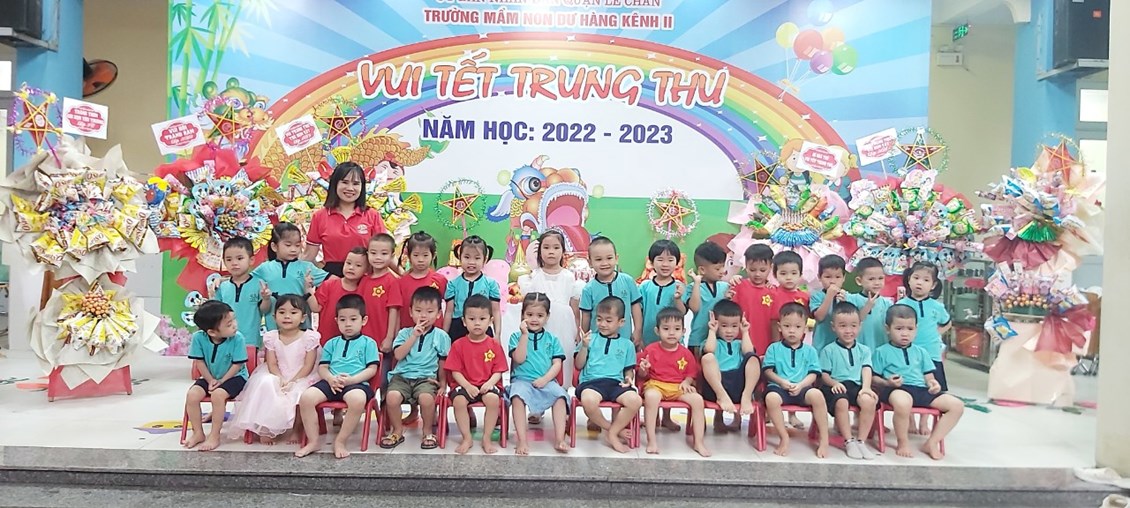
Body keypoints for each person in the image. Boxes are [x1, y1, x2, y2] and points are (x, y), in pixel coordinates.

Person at [872, 304, 964, 460]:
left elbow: (929, 376)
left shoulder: (921, 352)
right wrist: (887, 383)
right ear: (888, 329)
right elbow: (873, 378)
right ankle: (903, 442)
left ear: (916, 329)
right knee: (903, 402)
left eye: (910, 329)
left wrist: (933, 384)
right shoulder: (881, 352)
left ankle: (932, 442)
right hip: (897, 389)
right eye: (899, 328)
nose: (905, 333)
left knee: (957, 406)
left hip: (921, 389)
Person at [226, 295, 319, 445]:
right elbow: (272, 364)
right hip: (277, 372)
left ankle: (296, 429)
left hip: (302, 374)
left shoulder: (309, 337)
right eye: (282, 312)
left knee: (299, 393)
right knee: (266, 383)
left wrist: (293, 381)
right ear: (275, 317)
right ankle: (265, 428)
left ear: (303, 317)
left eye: (293, 312)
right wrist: (280, 378)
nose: (287, 316)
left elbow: (308, 365)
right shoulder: (271, 337)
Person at [295, 295, 379, 459]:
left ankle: (340, 441)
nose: (347, 324)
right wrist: (330, 379)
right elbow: (323, 367)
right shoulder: (331, 343)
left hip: (356, 383)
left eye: (353, 319)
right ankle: (313, 441)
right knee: (306, 398)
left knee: (357, 400)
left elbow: (372, 369)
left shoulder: (369, 343)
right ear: (337, 321)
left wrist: (352, 380)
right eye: (342, 320)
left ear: (364, 320)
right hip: (331, 382)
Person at [384, 286, 451, 450]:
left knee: (426, 399)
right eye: (418, 310)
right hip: (402, 377)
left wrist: (443, 384)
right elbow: (398, 355)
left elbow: (443, 362)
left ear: (438, 314)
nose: (423, 315)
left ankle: (427, 431)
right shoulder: (404, 333)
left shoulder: (441, 336)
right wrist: (414, 336)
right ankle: (397, 430)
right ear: (410, 312)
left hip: (426, 378)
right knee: (391, 397)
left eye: (429, 311)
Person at [637, 307, 710, 457]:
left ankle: (699, 442)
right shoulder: (651, 350)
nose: (671, 333)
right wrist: (644, 369)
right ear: (657, 331)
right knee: (651, 396)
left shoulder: (686, 353)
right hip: (656, 384)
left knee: (697, 400)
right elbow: (642, 375)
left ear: (683, 331)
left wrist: (687, 382)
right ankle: (652, 441)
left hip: (678, 387)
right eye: (666, 329)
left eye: (676, 329)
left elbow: (691, 373)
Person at [574, 296, 643, 454]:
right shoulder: (590, 339)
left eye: (608, 320)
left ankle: (612, 433)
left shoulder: (627, 345)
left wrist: (629, 379)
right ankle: (611, 429)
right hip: (591, 382)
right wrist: (584, 347)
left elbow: (628, 370)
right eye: (599, 319)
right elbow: (578, 365)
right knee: (588, 401)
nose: (602, 324)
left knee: (635, 400)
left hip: (616, 383)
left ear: (621, 322)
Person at [394, 231, 447, 426]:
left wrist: (444, 330)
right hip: (410, 334)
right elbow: (398, 309)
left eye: (425, 255)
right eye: (416, 255)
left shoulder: (439, 280)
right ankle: (413, 410)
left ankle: (432, 410)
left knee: (431, 373)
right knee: (410, 370)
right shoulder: (401, 282)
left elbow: (447, 307)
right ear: (408, 256)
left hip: (433, 335)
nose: (420, 260)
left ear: (433, 255)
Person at [444, 294, 508, 455]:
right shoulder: (458, 345)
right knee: (459, 401)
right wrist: (467, 385)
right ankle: (467, 438)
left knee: (493, 399)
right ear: (464, 321)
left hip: (487, 384)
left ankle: (486, 438)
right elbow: (455, 371)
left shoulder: (494, 345)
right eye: (472, 319)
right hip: (464, 385)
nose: (477, 323)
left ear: (490, 321)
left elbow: (499, 370)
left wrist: (490, 383)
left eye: (482, 319)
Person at [516, 230, 580, 391]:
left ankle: (562, 392)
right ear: (539, 251)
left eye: (556, 247)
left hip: (564, 324)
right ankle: (538, 393)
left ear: (563, 251)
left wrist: (578, 330)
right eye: (546, 247)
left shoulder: (568, 277)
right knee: (540, 356)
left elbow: (575, 308)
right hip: (541, 324)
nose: (551, 252)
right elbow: (527, 307)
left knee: (563, 354)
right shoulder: (533, 277)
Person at [507, 293, 570, 455]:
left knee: (560, 396)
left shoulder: (552, 339)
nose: (534, 319)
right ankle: (522, 440)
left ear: (547, 317)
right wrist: (524, 335)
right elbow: (519, 359)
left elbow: (557, 364)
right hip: (521, 381)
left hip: (547, 380)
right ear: (522, 315)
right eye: (529, 315)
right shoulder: (515, 337)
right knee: (517, 397)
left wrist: (545, 379)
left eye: (540, 315)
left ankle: (560, 438)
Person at [763, 302, 828, 458]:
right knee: (771, 398)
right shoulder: (773, 348)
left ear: (805, 328)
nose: (792, 331)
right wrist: (781, 382)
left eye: (797, 327)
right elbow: (768, 372)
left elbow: (813, 374)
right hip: (779, 387)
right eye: (787, 326)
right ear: (779, 327)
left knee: (817, 395)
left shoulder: (810, 351)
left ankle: (824, 439)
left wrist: (801, 385)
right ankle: (784, 437)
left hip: (802, 387)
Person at [183, 301, 249, 451]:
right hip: (210, 376)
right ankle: (198, 433)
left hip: (235, 377)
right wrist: (210, 380)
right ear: (212, 332)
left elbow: (237, 364)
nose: (235, 325)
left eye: (234, 320)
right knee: (192, 395)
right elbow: (199, 362)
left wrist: (222, 381)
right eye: (229, 324)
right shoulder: (198, 338)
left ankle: (214, 436)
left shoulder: (238, 338)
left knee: (218, 395)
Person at [303, 161, 387, 278]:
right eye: (345, 182)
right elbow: (308, 256)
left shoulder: (372, 215)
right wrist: (323, 275)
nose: (350, 188)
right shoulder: (320, 216)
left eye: (356, 184)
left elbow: (384, 253)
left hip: (365, 280)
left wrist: (404, 274)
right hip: (332, 280)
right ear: (335, 184)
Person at [896, 261, 952, 435]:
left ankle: (924, 422)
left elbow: (947, 323)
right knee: (908, 385)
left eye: (926, 280)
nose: (920, 283)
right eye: (916, 278)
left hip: (931, 354)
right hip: (907, 353)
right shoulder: (901, 304)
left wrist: (936, 334)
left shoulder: (937, 307)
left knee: (931, 387)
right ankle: (910, 420)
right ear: (909, 280)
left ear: (933, 285)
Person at [637, 239, 687, 431]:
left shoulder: (679, 287)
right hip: (649, 340)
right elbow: (639, 312)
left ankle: (666, 416)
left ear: (677, 263)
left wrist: (678, 298)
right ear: (651, 262)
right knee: (651, 377)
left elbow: (683, 312)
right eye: (660, 259)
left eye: (670, 260)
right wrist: (639, 335)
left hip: (672, 345)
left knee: (670, 376)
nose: (665, 264)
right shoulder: (645, 287)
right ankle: (652, 415)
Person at [819, 301, 879, 460]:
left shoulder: (864, 350)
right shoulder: (828, 350)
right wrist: (834, 383)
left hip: (857, 386)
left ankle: (861, 441)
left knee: (868, 400)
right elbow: (824, 375)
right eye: (842, 326)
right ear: (833, 327)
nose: (848, 331)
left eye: (853, 326)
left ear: (860, 326)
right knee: (841, 402)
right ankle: (849, 440)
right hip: (835, 386)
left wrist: (866, 387)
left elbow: (866, 369)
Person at [253, 222, 328, 331]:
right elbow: (245, 280)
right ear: (274, 246)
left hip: (302, 327)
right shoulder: (264, 269)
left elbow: (332, 281)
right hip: (274, 328)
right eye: (288, 245)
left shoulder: (306, 267)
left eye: (297, 245)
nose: (293, 249)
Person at [701, 299, 760, 432]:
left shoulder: (739, 344)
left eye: (734, 326)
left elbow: (749, 352)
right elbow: (709, 349)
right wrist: (712, 331)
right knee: (708, 357)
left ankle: (746, 397)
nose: (729, 331)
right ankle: (722, 396)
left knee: (753, 358)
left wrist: (745, 332)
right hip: (717, 387)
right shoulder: (712, 342)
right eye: (724, 326)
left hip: (738, 387)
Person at [769, 251, 811, 430]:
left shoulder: (804, 297)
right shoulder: (773, 293)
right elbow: (773, 322)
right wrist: (774, 345)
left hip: (797, 347)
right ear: (775, 274)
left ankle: (792, 414)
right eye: (783, 273)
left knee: (794, 376)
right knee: (776, 376)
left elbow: (807, 322)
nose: (789, 277)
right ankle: (769, 412)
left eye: (794, 273)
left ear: (800, 274)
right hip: (778, 346)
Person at [579, 237, 643, 348]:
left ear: (616, 258)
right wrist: (584, 337)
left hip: (624, 340)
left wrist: (638, 330)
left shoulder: (627, 281)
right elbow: (586, 317)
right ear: (590, 262)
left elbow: (635, 307)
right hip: (598, 344)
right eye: (598, 259)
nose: (605, 263)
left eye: (609, 258)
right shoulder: (588, 289)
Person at [209, 237, 271, 349]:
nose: (234, 263)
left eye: (239, 258)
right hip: (226, 340)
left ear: (251, 260)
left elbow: (264, 310)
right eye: (229, 259)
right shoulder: (222, 287)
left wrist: (266, 299)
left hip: (250, 340)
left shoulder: (259, 284)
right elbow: (216, 314)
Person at [443, 236, 502, 341]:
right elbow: (449, 312)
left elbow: (496, 311)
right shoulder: (452, 284)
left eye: (477, 258)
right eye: (467, 257)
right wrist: (444, 336)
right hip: (458, 328)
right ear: (459, 257)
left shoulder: (491, 284)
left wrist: (497, 334)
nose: (471, 262)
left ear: (485, 259)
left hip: (482, 327)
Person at [310, 247, 368, 346]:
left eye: (358, 265)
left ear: (367, 270)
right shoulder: (329, 284)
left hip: (354, 344)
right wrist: (308, 290)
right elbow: (316, 308)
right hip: (326, 342)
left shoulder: (366, 289)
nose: (351, 267)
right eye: (348, 263)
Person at [728, 244, 776, 355]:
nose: (757, 274)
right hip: (740, 343)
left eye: (762, 270)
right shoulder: (738, 286)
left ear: (771, 267)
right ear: (745, 266)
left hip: (765, 345)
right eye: (752, 270)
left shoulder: (773, 291)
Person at [684, 241, 730, 356]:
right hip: (698, 340)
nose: (722, 271)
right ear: (702, 270)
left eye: (723, 266)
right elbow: (695, 308)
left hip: (720, 340)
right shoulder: (692, 288)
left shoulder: (725, 287)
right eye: (717, 268)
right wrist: (697, 283)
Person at [364, 233, 404, 352]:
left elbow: (394, 311)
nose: (378, 257)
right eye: (373, 253)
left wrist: (389, 337)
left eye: (384, 254)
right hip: (363, 339)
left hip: (382, 339)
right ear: (367, 254)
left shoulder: (392, 281)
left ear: (392, 256)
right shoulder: (364, 280)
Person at [848, 257, 894, 351]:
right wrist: (867, 307)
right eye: (871, 279)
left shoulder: (887, 303)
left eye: (880, 278)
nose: (877, 283)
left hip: (881, 351)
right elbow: (851, 324)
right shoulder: (852, 300)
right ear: (859, 281)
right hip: (859, 351)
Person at [810, 254, 849, 351]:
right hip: (821, 346)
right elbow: (819, 317)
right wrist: (829, 297)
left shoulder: (847, 296)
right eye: (828, 277)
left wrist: (845, 304)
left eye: (838, 277)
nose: (833, 281)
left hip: (842, 346)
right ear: (819, 277)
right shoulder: (816, 296)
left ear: (844, 278)